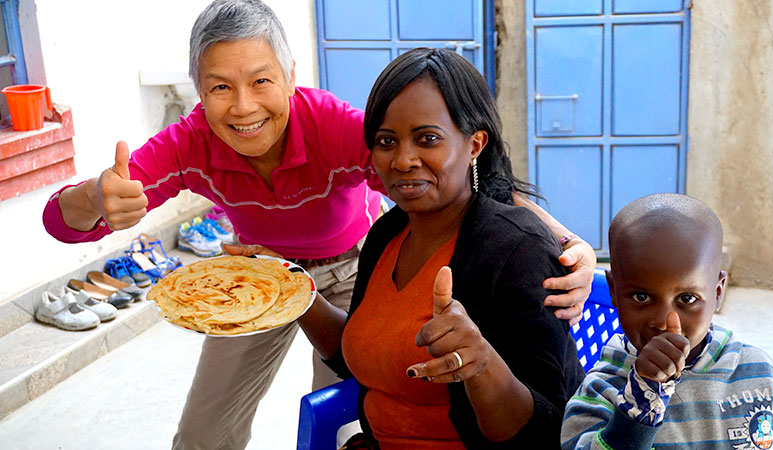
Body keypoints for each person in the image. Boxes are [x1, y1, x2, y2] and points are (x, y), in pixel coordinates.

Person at [41, 1, 594, 448]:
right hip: (259, 275)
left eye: (261, 80)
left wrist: (563, 240)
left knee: (349, 410)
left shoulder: (333, 125)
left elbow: (458, 177)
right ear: (198, 91)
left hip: (353, 267)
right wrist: (93, 196)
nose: (242, 107)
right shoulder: (190, 142)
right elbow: (68, 216)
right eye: (219, 87)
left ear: (290, 77)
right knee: (206, 429)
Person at [296, 47, 585, 449]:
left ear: (475, 144)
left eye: (427, 139)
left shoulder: (517, 249)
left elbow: (547, 430)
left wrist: (481, 364)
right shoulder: (386, 234)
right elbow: (366, 360)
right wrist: (292, 289)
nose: (403, 160)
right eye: (386, 141)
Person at [560, 193, 773, 450]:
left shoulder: (760, 376)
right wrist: (640, 403)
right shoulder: (602, 390)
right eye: (642, 297)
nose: (665, 322)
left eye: (687, 298)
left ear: (717, 292)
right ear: (613, 292)